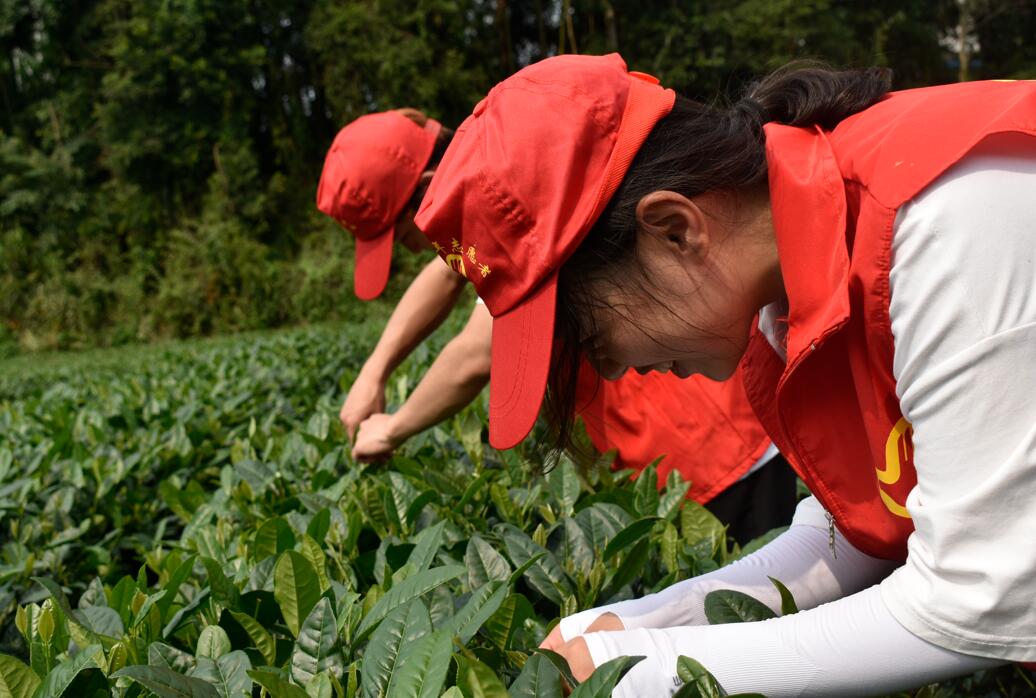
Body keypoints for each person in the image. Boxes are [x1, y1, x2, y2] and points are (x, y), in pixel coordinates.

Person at [414, 53, 1036, 696]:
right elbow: (862, 532)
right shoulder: (782, 291)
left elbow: (978, 597)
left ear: (674, 230)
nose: (611, 369)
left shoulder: (944, 222)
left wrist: (650, 671)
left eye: (593, 338)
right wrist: (643, 621)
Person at [317, 107, 797, 545]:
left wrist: (392, 430)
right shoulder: (493, 170)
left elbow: (477, 354)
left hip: (706, 445)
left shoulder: (508, 209)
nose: (414, 250)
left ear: (425, 189)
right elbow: (445, 274)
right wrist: (374, 372)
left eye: (404, 237)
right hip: (674, 437)